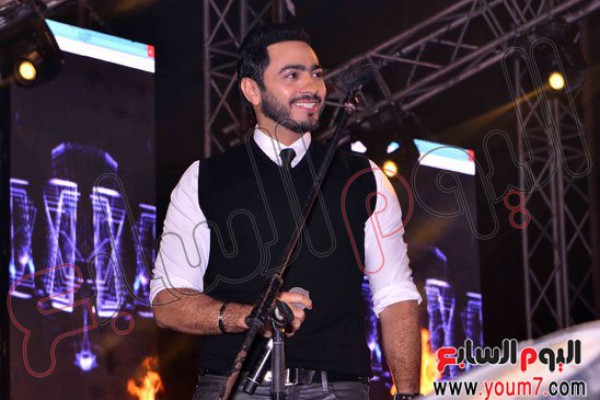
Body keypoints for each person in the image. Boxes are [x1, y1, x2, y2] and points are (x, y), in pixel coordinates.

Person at [150, 23, 422, 400]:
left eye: (316, 74)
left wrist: (407, 393)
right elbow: (168, 301)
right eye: (292, 75)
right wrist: (250, 317)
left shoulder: (365, 178)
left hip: (337, 389)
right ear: (252, 90)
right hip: (233, 387)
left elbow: (395, 294)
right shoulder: (204, 179)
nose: (311, 87)